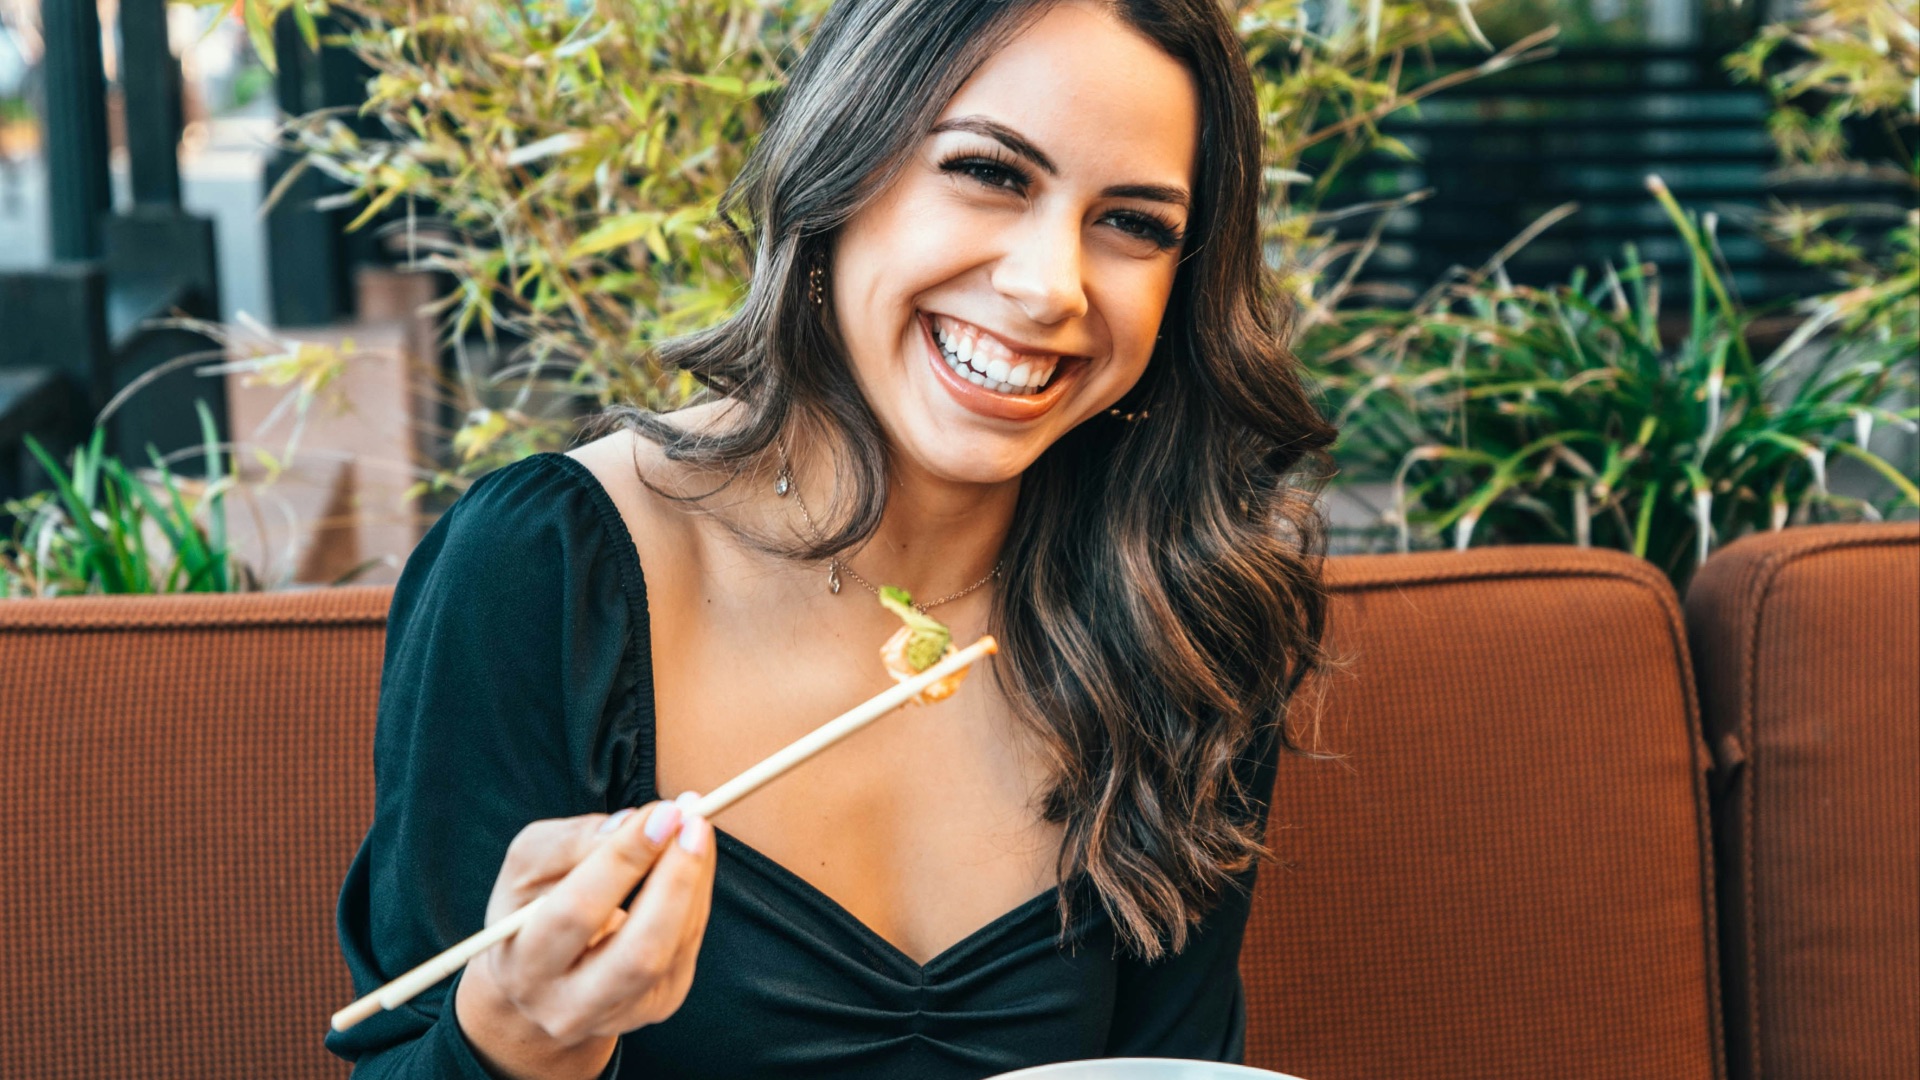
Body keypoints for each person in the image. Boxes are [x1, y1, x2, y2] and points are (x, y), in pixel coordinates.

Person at [328, 1, 1334, 1077]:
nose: (1049, 286)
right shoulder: (543, 570)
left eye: (1133, 222)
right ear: (840, 167)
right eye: (991, 172)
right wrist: (518, 1039)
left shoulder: (1185, 617)